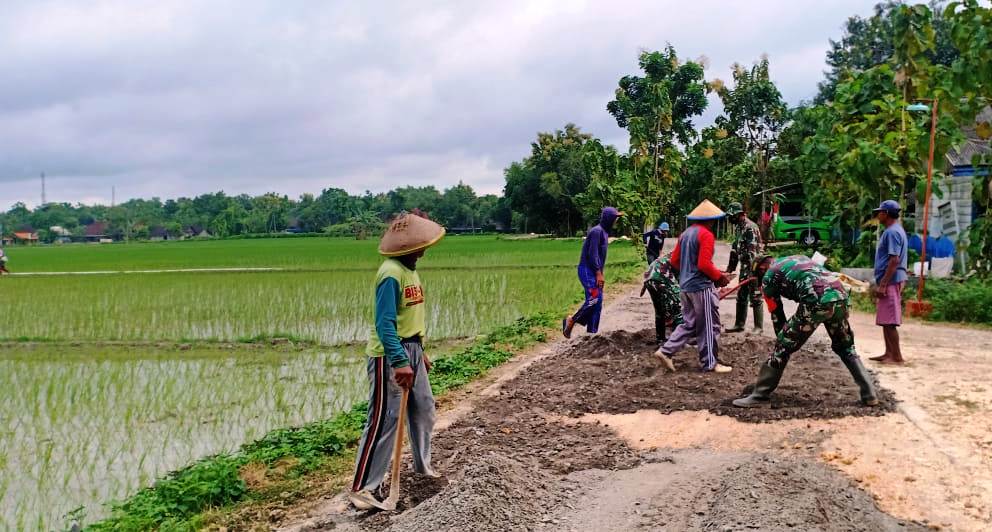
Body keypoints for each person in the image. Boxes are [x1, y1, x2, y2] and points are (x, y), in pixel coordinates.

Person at [349, 211, 444, 510]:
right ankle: (364, 487)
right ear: (405, 248)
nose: (423, 252)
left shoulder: (409, 269)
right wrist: (400, 360)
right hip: (389, 354)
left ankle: (422, 470)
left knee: (424, 411)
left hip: (412, 349)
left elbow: (410, 317)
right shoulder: (391, 273)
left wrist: (419, 353)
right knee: (384, 420)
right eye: (418, 247)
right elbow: (385, 323)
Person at [732, 254, 879, 408]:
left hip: (816, 300)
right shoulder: (798, 258)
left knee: (782, 347)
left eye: (758, 277)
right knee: (845, 346)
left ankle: (759, 396)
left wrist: (784, 340)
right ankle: (869, 394)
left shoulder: (769, 277)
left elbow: (777, 314)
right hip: (841, 296)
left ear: (762, 269)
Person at [654, 200, 733, 373]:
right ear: (712, 219)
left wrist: (690, 273)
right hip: (701, 287)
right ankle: (710, 363)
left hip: (686, 286)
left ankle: (665, 351)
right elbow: (704, 264)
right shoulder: (706, 235)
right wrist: (719, 277)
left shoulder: (685, 234)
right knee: (709, 325)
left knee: (689, 324)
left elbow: (675, 261)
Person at [563, 207, 623, 338]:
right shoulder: (597, 231)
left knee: (598, 302)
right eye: (615, 218)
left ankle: (592, 334)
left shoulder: (604, 233)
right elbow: (592, 254)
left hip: (595, 271)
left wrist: (600, 273)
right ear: (608, 218)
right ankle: (571, 320)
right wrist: (598, 273)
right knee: (594, 298)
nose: (616, 221)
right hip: (587, 270)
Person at [868, 200, 908, 365]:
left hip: (891, 281)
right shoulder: (895, 230)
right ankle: (888, 352)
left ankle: (896, 356)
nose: (878, 215)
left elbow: (894, 260)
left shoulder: (892, 232)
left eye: (880, 212)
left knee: (890, 321)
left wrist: (883, 284)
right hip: (891, 279)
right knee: (885, 319)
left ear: (886, 213)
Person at [724, 202, 763, 333]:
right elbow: (735, 250)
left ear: (739, 215)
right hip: (744, 268)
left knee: (755, 296)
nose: (730, 219)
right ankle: (739, 324)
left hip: (754, 268)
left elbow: (754, 252)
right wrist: (730, 269)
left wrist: (753, 273)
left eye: (732, 216)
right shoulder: (738, 228)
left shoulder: (750, 228)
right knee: (741, 295)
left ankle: (759, 327)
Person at [644, 252, 684, 346]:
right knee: (679, 306)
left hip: (649, 276)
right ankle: (678, 339)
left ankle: (660, 339)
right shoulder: (688, 255)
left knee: (659, 310)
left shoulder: (679, 252)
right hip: (660, 275)